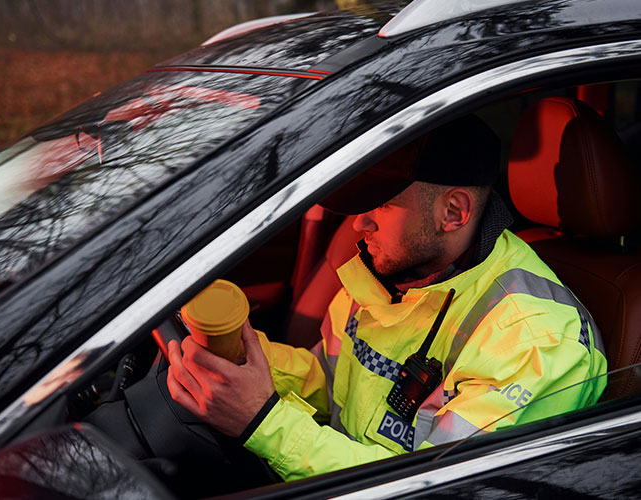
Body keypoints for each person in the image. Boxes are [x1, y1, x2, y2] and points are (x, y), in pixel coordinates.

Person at [166, 115, 607, 482]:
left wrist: (263, 423)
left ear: (453, 212)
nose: (359, 224)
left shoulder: (535, 342)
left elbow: (430, 486)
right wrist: (243, 358)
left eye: (381, 206)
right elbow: (331, 382)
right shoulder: (389, 274)